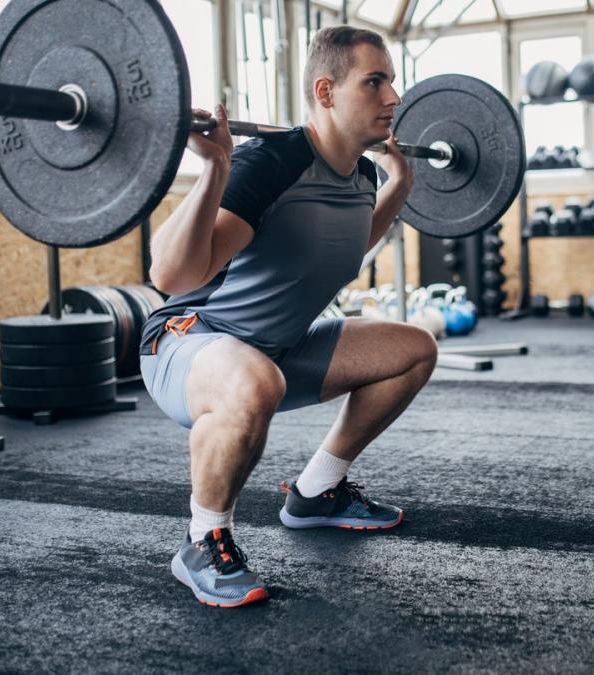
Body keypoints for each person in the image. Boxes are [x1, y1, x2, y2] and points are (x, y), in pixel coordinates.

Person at [139, 25, 438, 608]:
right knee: (256, 381)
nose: (393, 97)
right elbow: (172, 277)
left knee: (413, 349)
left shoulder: (363, 174)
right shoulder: (270, 164)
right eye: (374, 82)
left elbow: (340, 249)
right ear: (325, 92)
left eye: (392, 82)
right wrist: (217, 168)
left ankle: (317, 493)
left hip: (276, 348)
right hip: (191, 342)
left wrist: (399, 183)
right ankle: (204, 538)